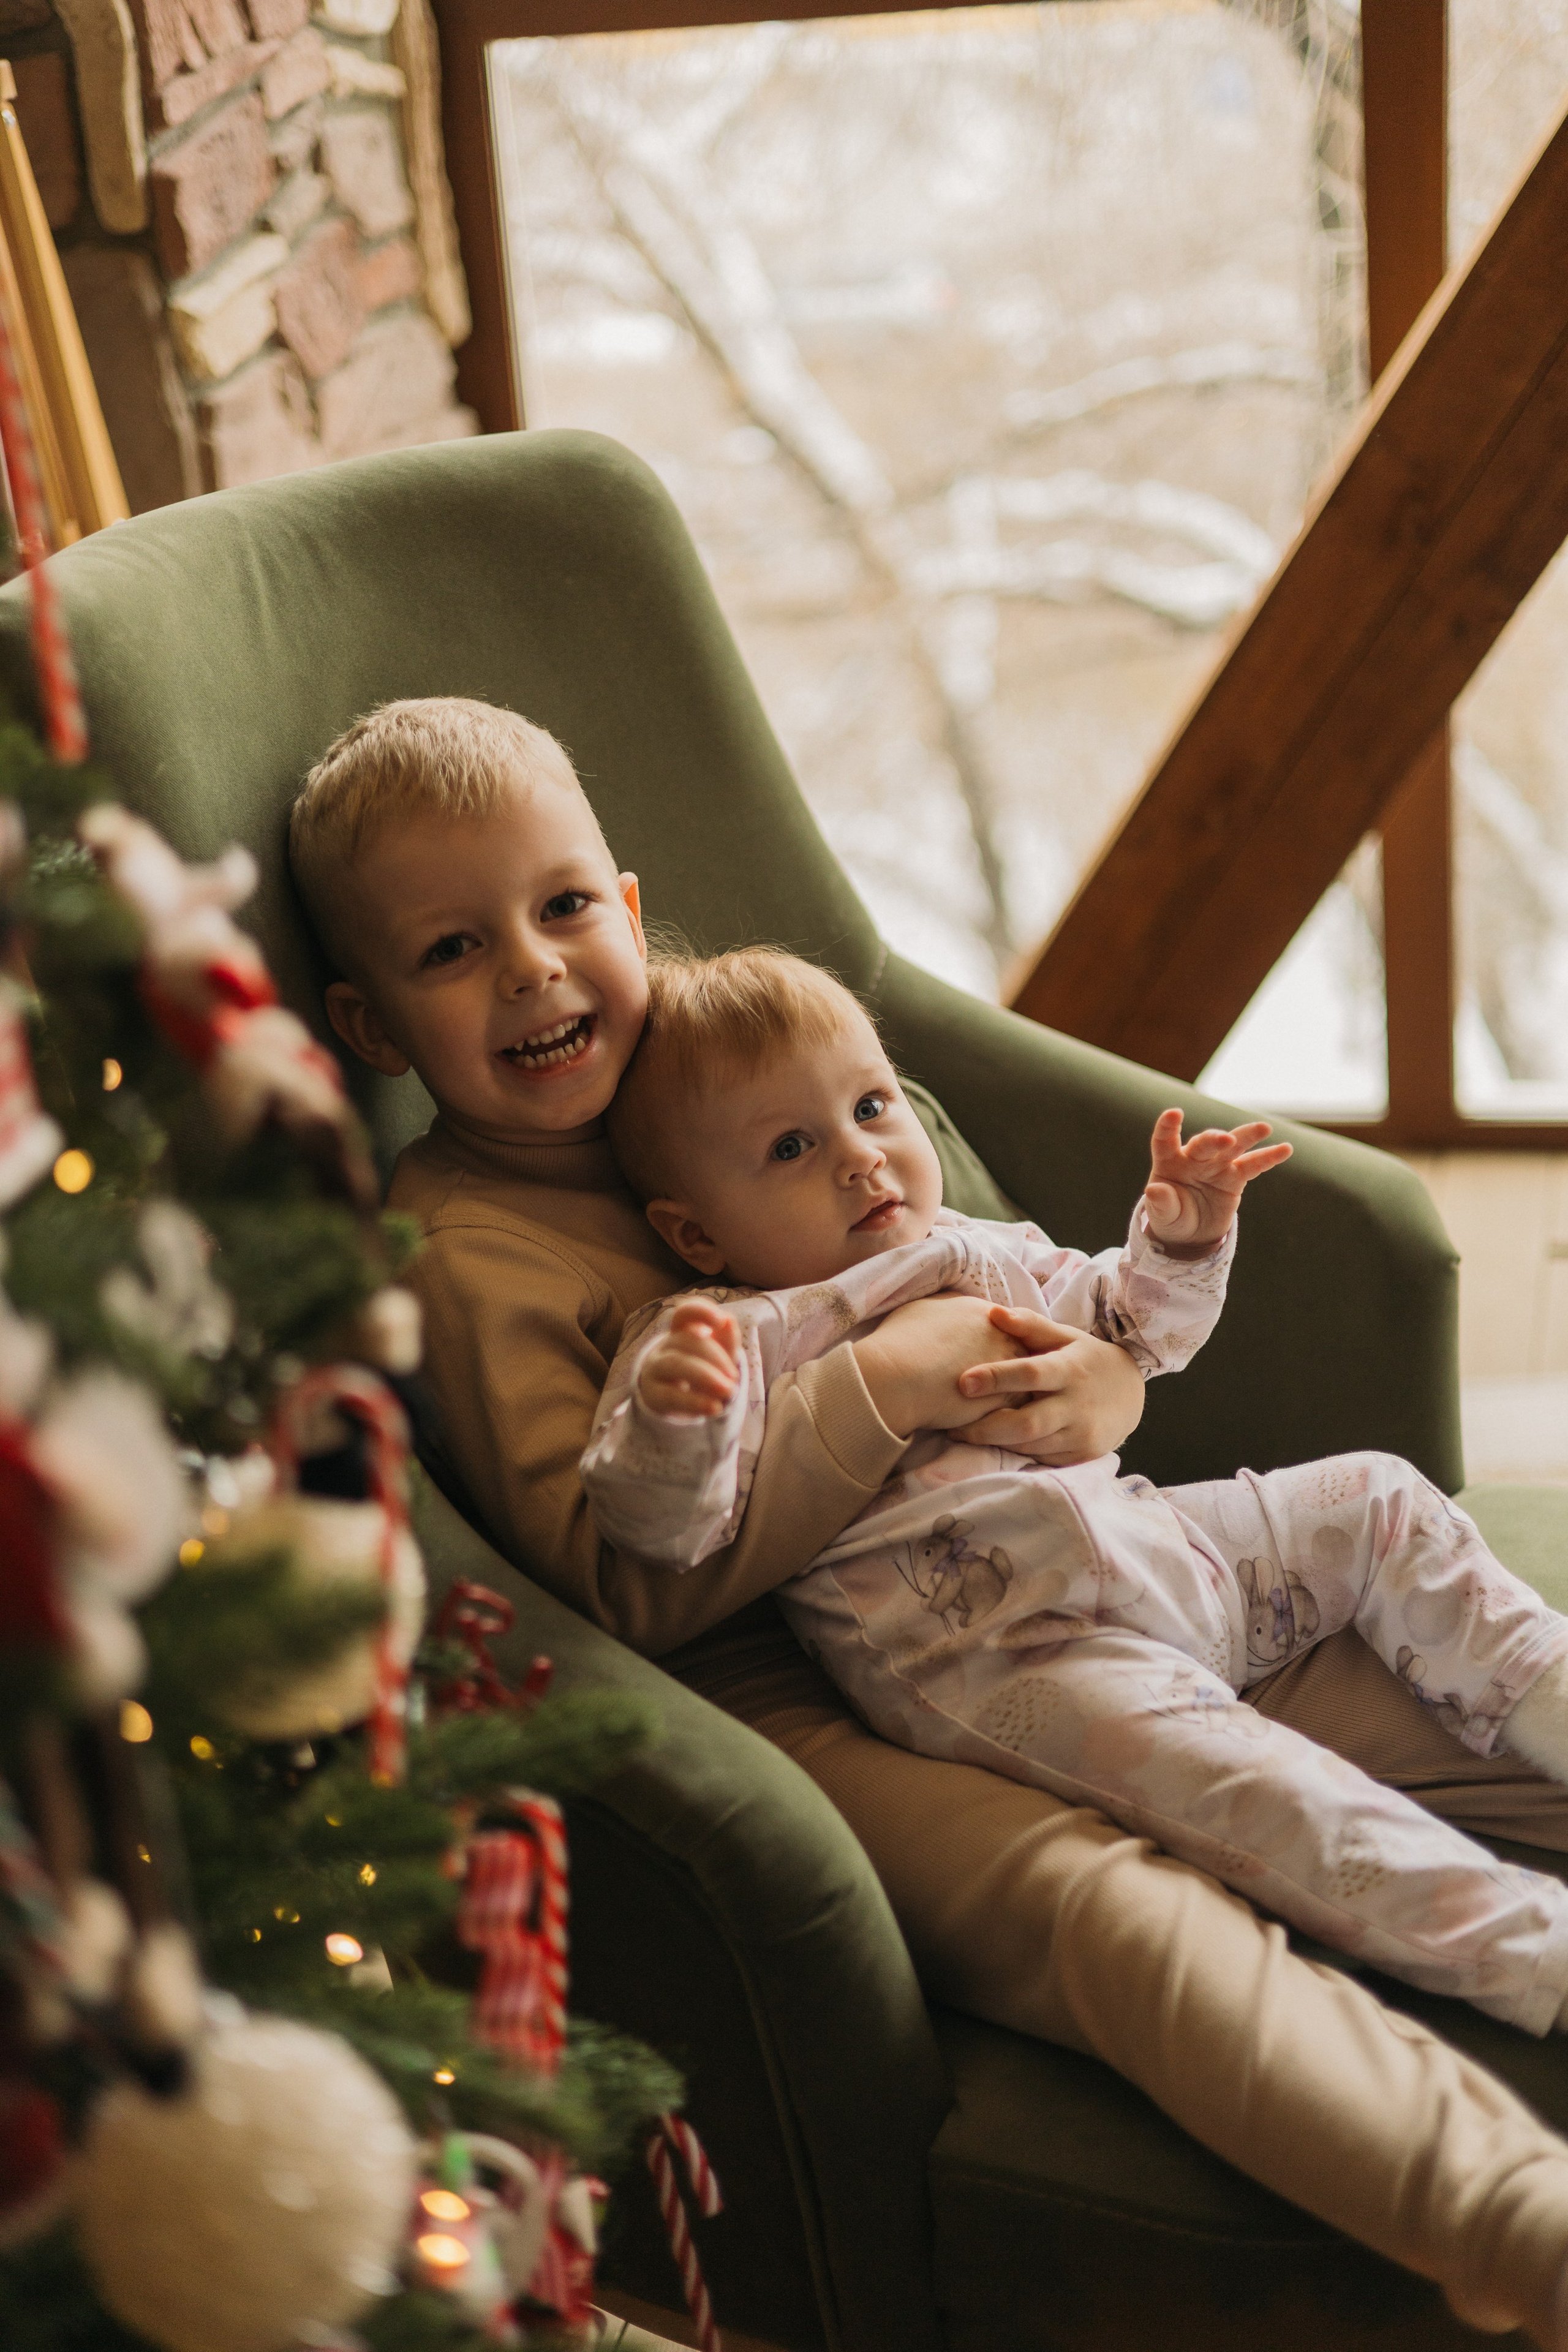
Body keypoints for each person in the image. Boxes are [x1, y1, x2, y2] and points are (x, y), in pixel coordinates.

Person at [292, 693, 1568, 2346]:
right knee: (1119, 1914)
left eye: (562, 911)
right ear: (375, 1025)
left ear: (625, 894)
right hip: (805, 1700)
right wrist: (888, 1386)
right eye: (454, 952)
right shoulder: (468, 1241)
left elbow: (1001, 1274)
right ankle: (1515, 2227)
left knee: (1416, 1708)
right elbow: (626, 1588)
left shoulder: (734, 1046)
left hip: (1060, 1547)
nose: (535, 974)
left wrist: (1095, 1382)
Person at [582, 946, 1568, 2034]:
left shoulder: (974, 1251)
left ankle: (1546, 1699)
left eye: (871, 1106)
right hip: (1008, 1655)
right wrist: (682, 1420)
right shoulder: (726, 1334)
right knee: (1272, 1797)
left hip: (1167, 1552)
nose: (862, 1160)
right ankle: (1532, 1956)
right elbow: (669, 1528)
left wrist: (1181, 1239)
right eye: (789, 1147)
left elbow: (1136, 1328)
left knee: (1381, 1497)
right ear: (695, 1231)